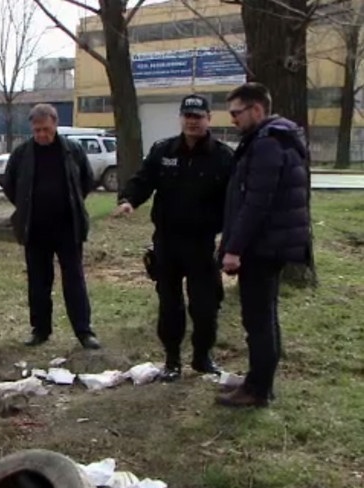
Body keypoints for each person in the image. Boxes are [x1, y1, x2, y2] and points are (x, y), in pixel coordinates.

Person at [112, 95, 234, 381]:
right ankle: (172, 360)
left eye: (198, 116)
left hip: (202, 244)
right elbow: (144, 180)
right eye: (187, 116)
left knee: (205, 306)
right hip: (167, 242)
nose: (192, 121)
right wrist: (129, 200)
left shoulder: (223, 157)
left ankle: (202, 357)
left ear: (209, 119)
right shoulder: (163, 150)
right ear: (181, 118)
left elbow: (234, 200)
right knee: (169, 304)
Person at [217, 82, 312, 408]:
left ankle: (257, 389)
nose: (233, 120)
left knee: (258, 319)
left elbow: (256, 202)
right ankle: (259, 381)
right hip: (271, 243)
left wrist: (234, 249)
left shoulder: (267, 144)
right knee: (263, 316)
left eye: (236, 113)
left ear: (256, 110)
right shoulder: (276, 139)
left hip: (263, 246)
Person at [1, 103, 101, 349]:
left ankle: (84, 331)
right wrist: (25, 207)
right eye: (36, 130)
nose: (41, 135)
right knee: (38, 281)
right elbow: (10, 183)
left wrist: (71, 204)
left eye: (45, 129)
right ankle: (40, 330)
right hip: (35, 228)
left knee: (74, 279)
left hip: (68, 228)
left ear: (55, 124)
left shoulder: (72, 151)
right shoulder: (22, 153)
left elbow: (86, 181)